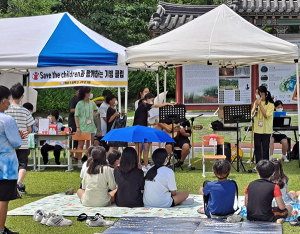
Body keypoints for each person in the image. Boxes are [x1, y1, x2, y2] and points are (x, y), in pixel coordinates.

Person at [0, 85, 24, 234]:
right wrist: (18, 137)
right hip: (5, 166)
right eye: (8, 100)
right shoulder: (7, 120)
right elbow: (17, 144)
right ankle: (1, 229)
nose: (9, 102)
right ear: (3, 101)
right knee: (3, 199)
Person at [5, 83, 35, 193]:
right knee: (22, 164)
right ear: (22, 96)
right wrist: (25, 132)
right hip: (22, 142)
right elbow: (30, 129)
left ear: (10, 95)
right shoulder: (26, 111)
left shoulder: (6, 110)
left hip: (9, 142)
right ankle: (19, 183)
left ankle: (11, 185)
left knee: (11, 164)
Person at [133, 93, 172, 169]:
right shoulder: (143, 105)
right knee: (139, 148)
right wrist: (166, 104)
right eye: (152, 100)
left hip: (143, 129)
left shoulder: (143, 108)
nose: (152, 102)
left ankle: (146, 165)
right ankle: (138, 165)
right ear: (147, 99)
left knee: (146, 147)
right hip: (138, 129)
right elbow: (156, 106)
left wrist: (152, 123)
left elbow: (142, 119)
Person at [74, 87, 99, 168]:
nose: (91, 93)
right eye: (89, 92)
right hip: (82, 127)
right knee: (80, 144)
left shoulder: (92, 103)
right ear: (85, 93)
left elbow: (96, 110)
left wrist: (92, 115)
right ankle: (79, 160)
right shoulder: (79, 104)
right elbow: (76, 116)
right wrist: (78, 127)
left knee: (91, 145)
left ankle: (89, 159)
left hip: (91, 127)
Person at [252, 86, 274, 164]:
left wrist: (260, 105)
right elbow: (253, 114)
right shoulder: (256, 102)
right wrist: (256, 106)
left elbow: (266, 115)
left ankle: (265, 164)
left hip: (266, 130)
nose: (256, 95)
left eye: (258, 93)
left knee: (265, 147)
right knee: (257, 147)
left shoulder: (270, 104)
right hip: (257, 129)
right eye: (256, 93)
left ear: (263, 94)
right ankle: (258, 164)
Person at [68, 86, 82, 156]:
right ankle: (71, 155)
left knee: (79, 138)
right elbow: (71, 110)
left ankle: (77, 155)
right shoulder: (74, 99)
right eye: (77, 91)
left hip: (80, 122)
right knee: (72, 138)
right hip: (73, 122)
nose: (78, 92)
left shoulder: (82, 99)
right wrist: (81, 110)